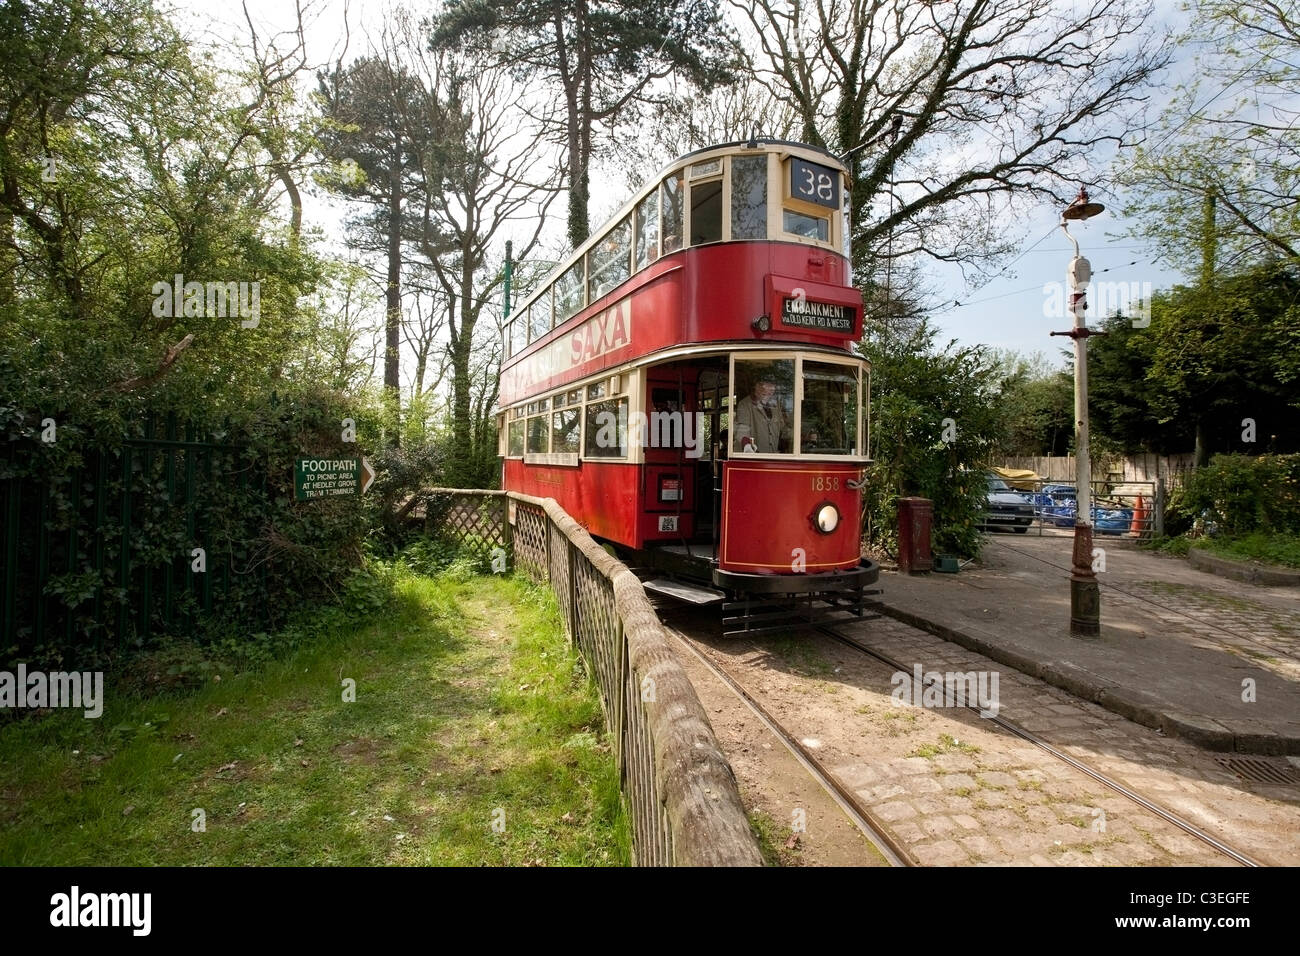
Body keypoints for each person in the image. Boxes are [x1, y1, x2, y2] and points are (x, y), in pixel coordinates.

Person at [733, 374, 790, 453]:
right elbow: (742, 428)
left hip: (772, 457)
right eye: (765, 387)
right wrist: (746, 444)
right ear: (756, 387)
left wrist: (800, 437)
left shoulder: (776, 406)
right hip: (754, 457)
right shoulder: (745, 404)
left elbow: (783, 428)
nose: (770, 391)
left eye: (772, 388)